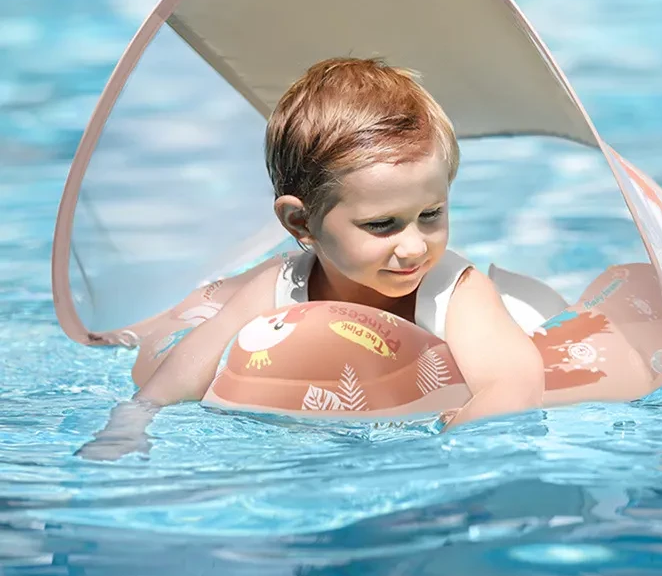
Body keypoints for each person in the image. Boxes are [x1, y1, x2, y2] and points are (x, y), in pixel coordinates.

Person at [78, 58, 544, 459]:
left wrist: (445, 453)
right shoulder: (278, 287)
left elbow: (513, 381)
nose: (415, 246)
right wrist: (132, 423)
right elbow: (190, 365)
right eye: (382, 225)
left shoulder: (454, 291)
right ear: (301, 224)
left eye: (431, 214)